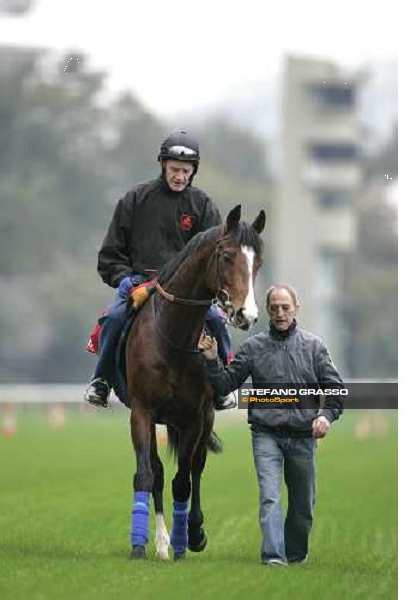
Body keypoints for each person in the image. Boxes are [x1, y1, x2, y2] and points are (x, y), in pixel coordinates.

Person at [84, 130, 235, 410]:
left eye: (186, 171)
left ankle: (224, 384)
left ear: (193, 171)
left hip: (185, 292)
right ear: (162, 165)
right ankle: (101, 380)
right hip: (139, 285)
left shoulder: (202, 206)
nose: (180, 176)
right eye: (175, 169)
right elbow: (109, 256)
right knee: (114, 318)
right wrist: (124, 280)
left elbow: (215, 257)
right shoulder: (134, 199)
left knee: (216, 319)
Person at [198, 284, 345, 566]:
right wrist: (211, 359)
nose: (280, 313)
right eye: (274, 307)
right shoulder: (253, 348)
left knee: (303, 505)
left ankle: (295, 555)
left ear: (296, 308)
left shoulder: (314, 347)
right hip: (266, 435)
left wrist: (325, 416)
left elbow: (335, 389)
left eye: (285, 307)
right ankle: (274, 559)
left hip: (303, 436)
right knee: (270, 498)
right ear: (267, 310)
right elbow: (226, 384)